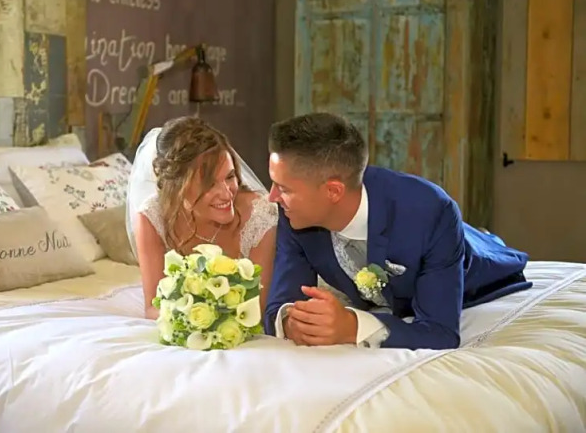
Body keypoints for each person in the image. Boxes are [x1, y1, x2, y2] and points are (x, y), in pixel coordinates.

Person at [264, 112, 531, 350]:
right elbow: (280, 304)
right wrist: (291, 322)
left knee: (480, 246)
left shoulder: (430, 211)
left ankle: (484, 238)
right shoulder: (294, 214)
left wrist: (352, 327)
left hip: (473, 266)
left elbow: (441, 333)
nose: (271, 197)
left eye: (283, 188)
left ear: (333, 191)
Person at [126, 116, 278, 319]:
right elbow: (154, 307)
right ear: (177, 185)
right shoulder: (152, 217)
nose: (226, 194)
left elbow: (258, 309)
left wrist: (214, 324)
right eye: (209, 184)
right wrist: (193, 321)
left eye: (229, 177)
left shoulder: (260, 216)